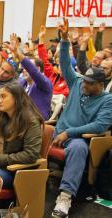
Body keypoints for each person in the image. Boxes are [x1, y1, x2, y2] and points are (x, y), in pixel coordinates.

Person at [51, 18, 112, 218]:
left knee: (78, 147)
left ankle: (65, 198)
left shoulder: (107, 100)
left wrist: (70, 132)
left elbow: (100, 125)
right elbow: (65, 63)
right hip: (58, 132)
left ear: (100, 85)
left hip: (76, 138)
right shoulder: (77, 83)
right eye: (84, 80)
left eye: (89, 83)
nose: (83, 85)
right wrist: (66, 38)